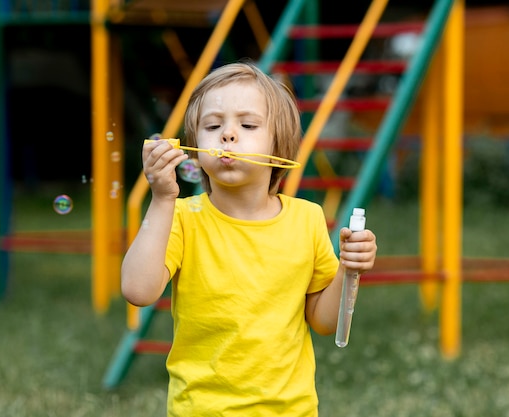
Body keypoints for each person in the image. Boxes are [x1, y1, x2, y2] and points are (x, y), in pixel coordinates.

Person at [121, 61, 377, 416]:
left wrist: (349, 272)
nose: (227, 134)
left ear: (280, 144)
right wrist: (162, 199)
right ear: (196, 147)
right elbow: (137, 290)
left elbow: (323, 320)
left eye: (247, 124)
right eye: (212, 126)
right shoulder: (180, 218)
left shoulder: (307, 219)